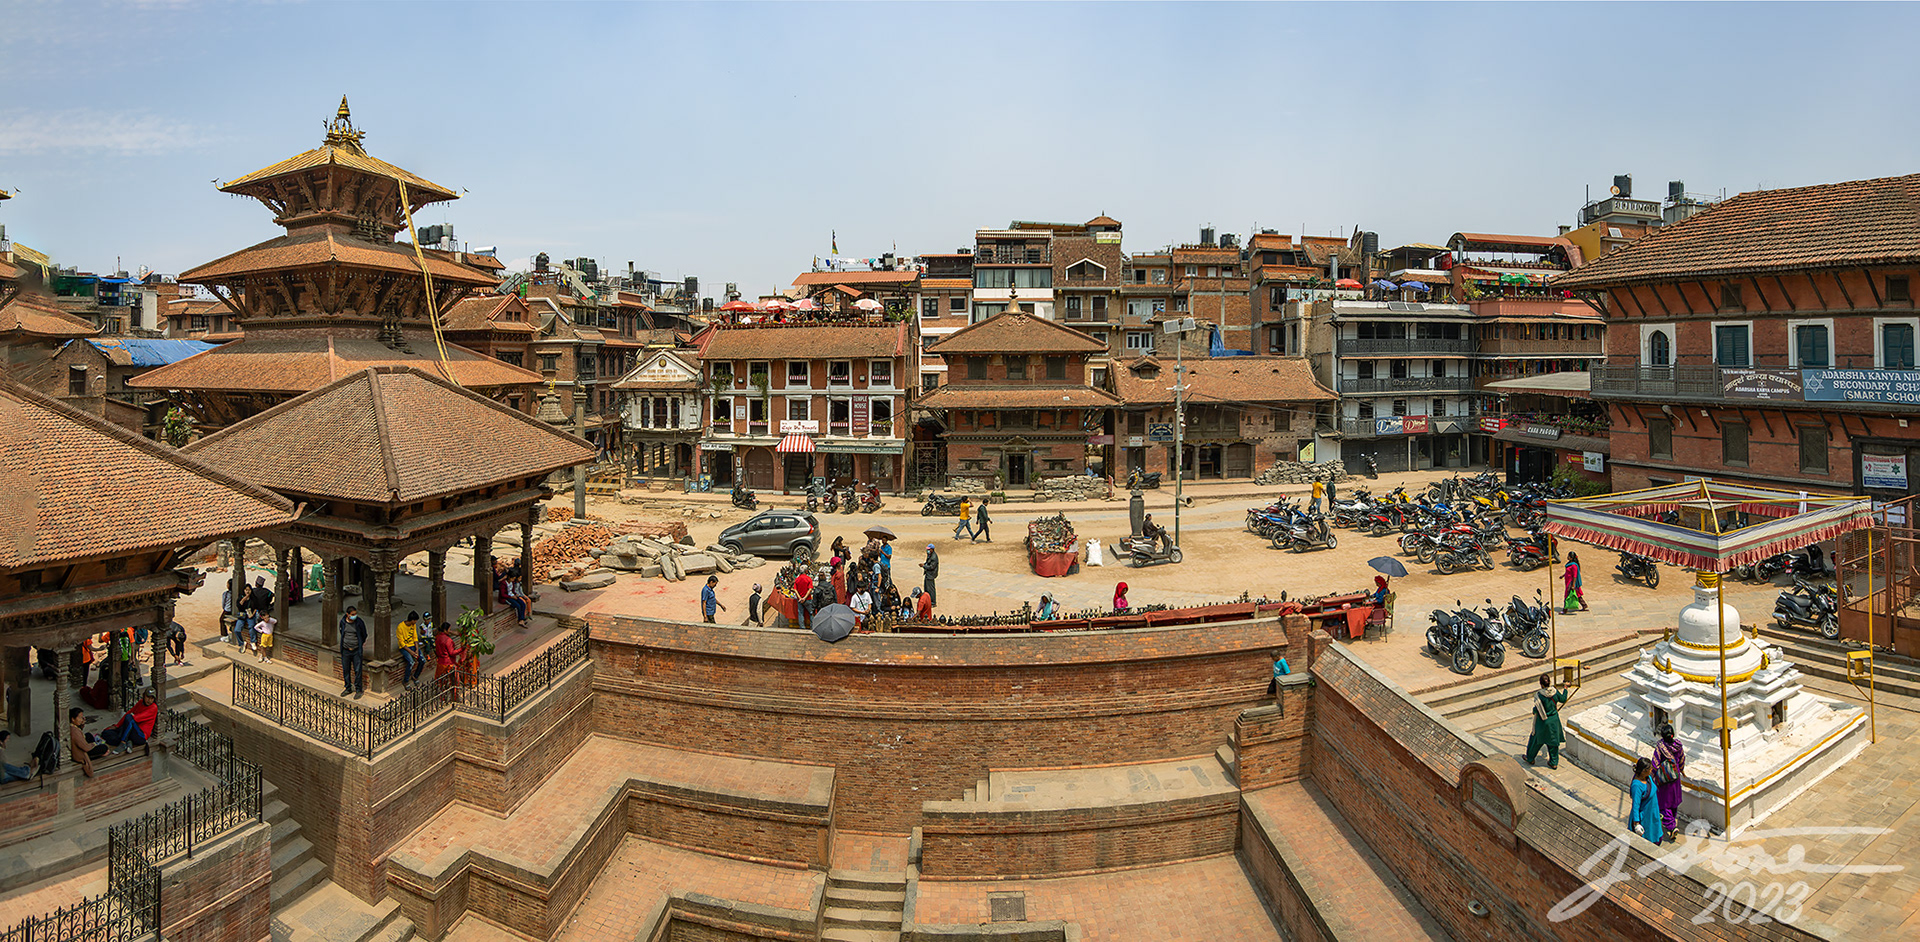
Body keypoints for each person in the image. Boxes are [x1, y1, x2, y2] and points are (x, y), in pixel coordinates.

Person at [1525, 673, 1569, 769]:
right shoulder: (1554, 691)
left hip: (1542, 722)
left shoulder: (1539, 695)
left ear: (1541, 684)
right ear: (1549, 682)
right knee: (1553, 742)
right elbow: (1563, 699)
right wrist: (1565, 689)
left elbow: (1536, 709)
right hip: (1554, 721)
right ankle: (1553, 762)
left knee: (1536, 740)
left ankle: (1530, 758)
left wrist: (1534, 710)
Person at [1653, 722, 1686, 841]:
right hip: (1675, 778)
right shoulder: (1678, 745)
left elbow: (1655, 763)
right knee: (1673, 802)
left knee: (1663, 803)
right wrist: (1681, 770)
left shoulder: (1660, 747)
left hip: (1664, 779)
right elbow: (1682, 759)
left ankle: (1671, 826)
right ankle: (1672, 821)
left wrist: (1652, 776)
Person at [102, 688, 158, 755]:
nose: (149, 700)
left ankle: (123, 743)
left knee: (129, 718)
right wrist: (117, 725)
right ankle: (128, 741)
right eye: (148, 697)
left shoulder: (153, 707)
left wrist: (130, 718)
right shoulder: (140, 702)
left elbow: (136, 718)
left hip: (141, 735)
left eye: (152, 698)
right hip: (130, 730)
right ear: (144, 695)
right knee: (106, 733)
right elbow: (130, 712)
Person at [1629, 756, 1665, 845]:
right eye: (1650, 769)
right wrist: (1636, 823)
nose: (1651, 770)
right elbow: (1636, 805)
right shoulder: (1637, 786)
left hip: (1653, 814)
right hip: (1645, 818)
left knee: (1657, 836)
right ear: (1643, 771)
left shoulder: (1648, 778)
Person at [69, 707, 108, 778]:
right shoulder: (75, 732)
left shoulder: (72, 727)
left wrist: (82, 724)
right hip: (81, 753)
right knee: (104, 748)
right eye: (80, 718)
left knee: (88, 735)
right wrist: (94, 744)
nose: (82, 719)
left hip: (81, 747)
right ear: (73, 719)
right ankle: (95, 755)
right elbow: (86, 748)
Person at [339, 605, 367, 698]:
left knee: (357, 670)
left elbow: (364, 634)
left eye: (355, 614)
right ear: (348, 614)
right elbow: (342, 632)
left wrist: (359, 643)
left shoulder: (359, 622)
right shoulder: (343, 622)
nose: (354, 616)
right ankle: (348, 687)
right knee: (346, 669)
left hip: (356, 650)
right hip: (346, 650)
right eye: (352, 614)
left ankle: (358, 689)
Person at [434, 622, 465, 689]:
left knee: (441, 681)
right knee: (453, 681)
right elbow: (452, 653)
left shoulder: (438, 637)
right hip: (448, 663)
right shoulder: (448, 640)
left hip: (440, 662)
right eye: (449, 629)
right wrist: (461, 649)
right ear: (445, 630)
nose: (450, 631)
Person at [398, 612, 424, 687]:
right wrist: (411, 652)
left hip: (412, 645)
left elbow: (415, 638)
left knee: (422, 660)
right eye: (415, 620)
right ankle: (405, 681)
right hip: (405, 648)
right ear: (412, 620)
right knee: (411, 662)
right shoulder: (400, 627)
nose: (416, 622)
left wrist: (417, 649)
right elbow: (402, 643)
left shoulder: (413, 625)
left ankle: (415, 676)